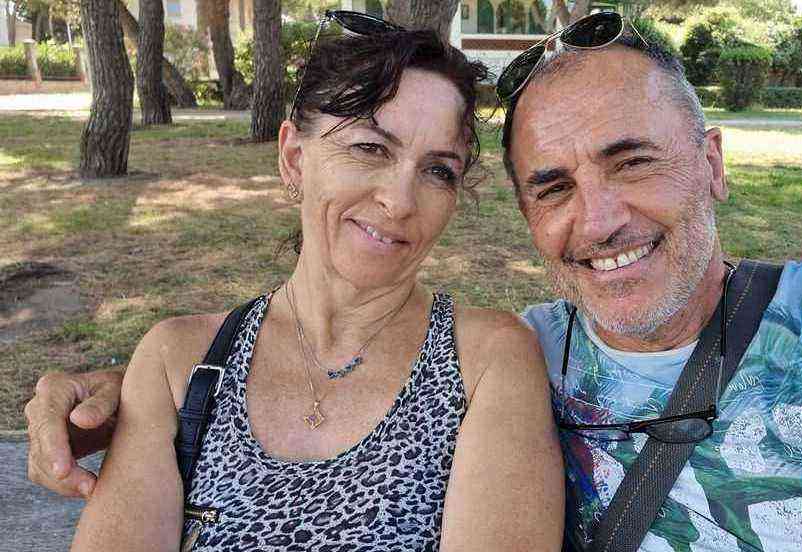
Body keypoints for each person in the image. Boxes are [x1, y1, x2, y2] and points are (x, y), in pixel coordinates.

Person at [26, 11, 802, 552]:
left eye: (633, 160)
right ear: (291, 157)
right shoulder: (537, 347)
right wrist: (127, 394)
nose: (597, 219)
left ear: (712, 162)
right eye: (553, 185)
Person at [49, 13, 564, 552]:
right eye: (370, 148)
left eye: (438, 170)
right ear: (294, 158)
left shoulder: (484, 361)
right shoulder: (177, 363)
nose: (399, 201)